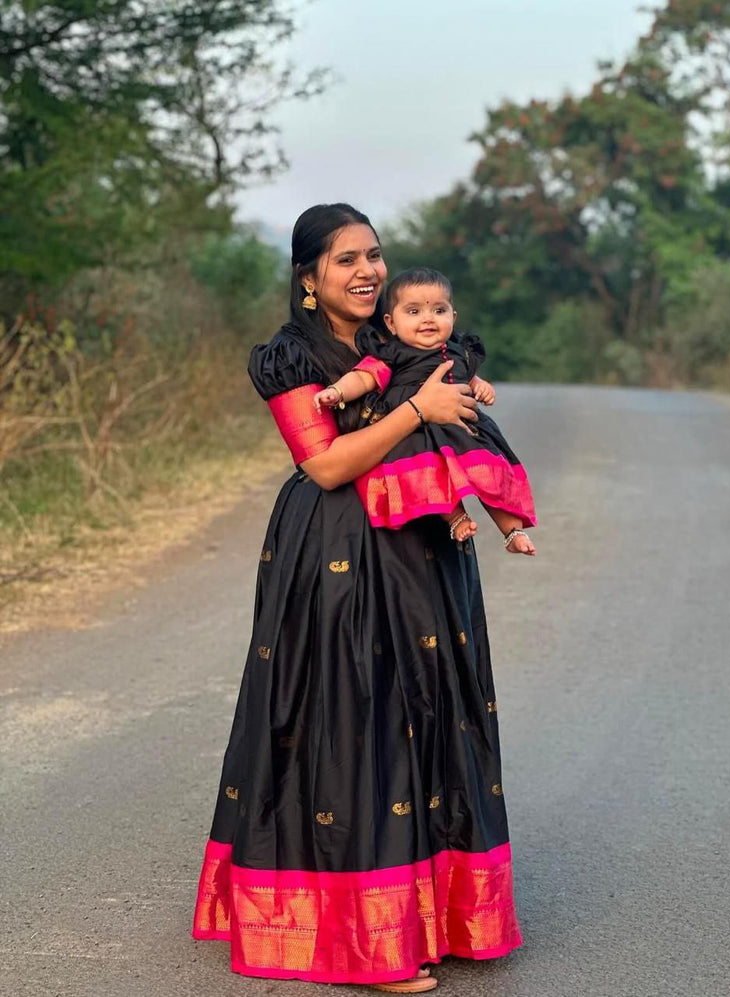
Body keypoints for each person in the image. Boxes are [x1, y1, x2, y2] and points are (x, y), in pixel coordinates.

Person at [192, 204, 523, 993]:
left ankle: (428, 920)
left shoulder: (400, 335)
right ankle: (363, 945)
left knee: (430, 711)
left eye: (374, 256)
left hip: (424, 549)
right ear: (309, 278)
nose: (368, 272)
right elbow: (327, 464)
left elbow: (465, 413)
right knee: (355, 721)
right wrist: (419, 410)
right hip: (336, 550)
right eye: (346, 260)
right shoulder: (291, 357)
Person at [313, 266, 536, 554]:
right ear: (391, 323)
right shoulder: (393, 354)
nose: (428, 319)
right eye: (414, 312)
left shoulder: (458, 351)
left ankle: (511, 530)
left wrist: (481, 386)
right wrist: (338, 391)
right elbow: (364, 376)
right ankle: (455, 517)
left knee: (489, 472)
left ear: (453, 318)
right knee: (430, 476)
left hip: (461, 428)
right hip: (416, 433)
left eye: (439, 311)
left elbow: (468, 376)